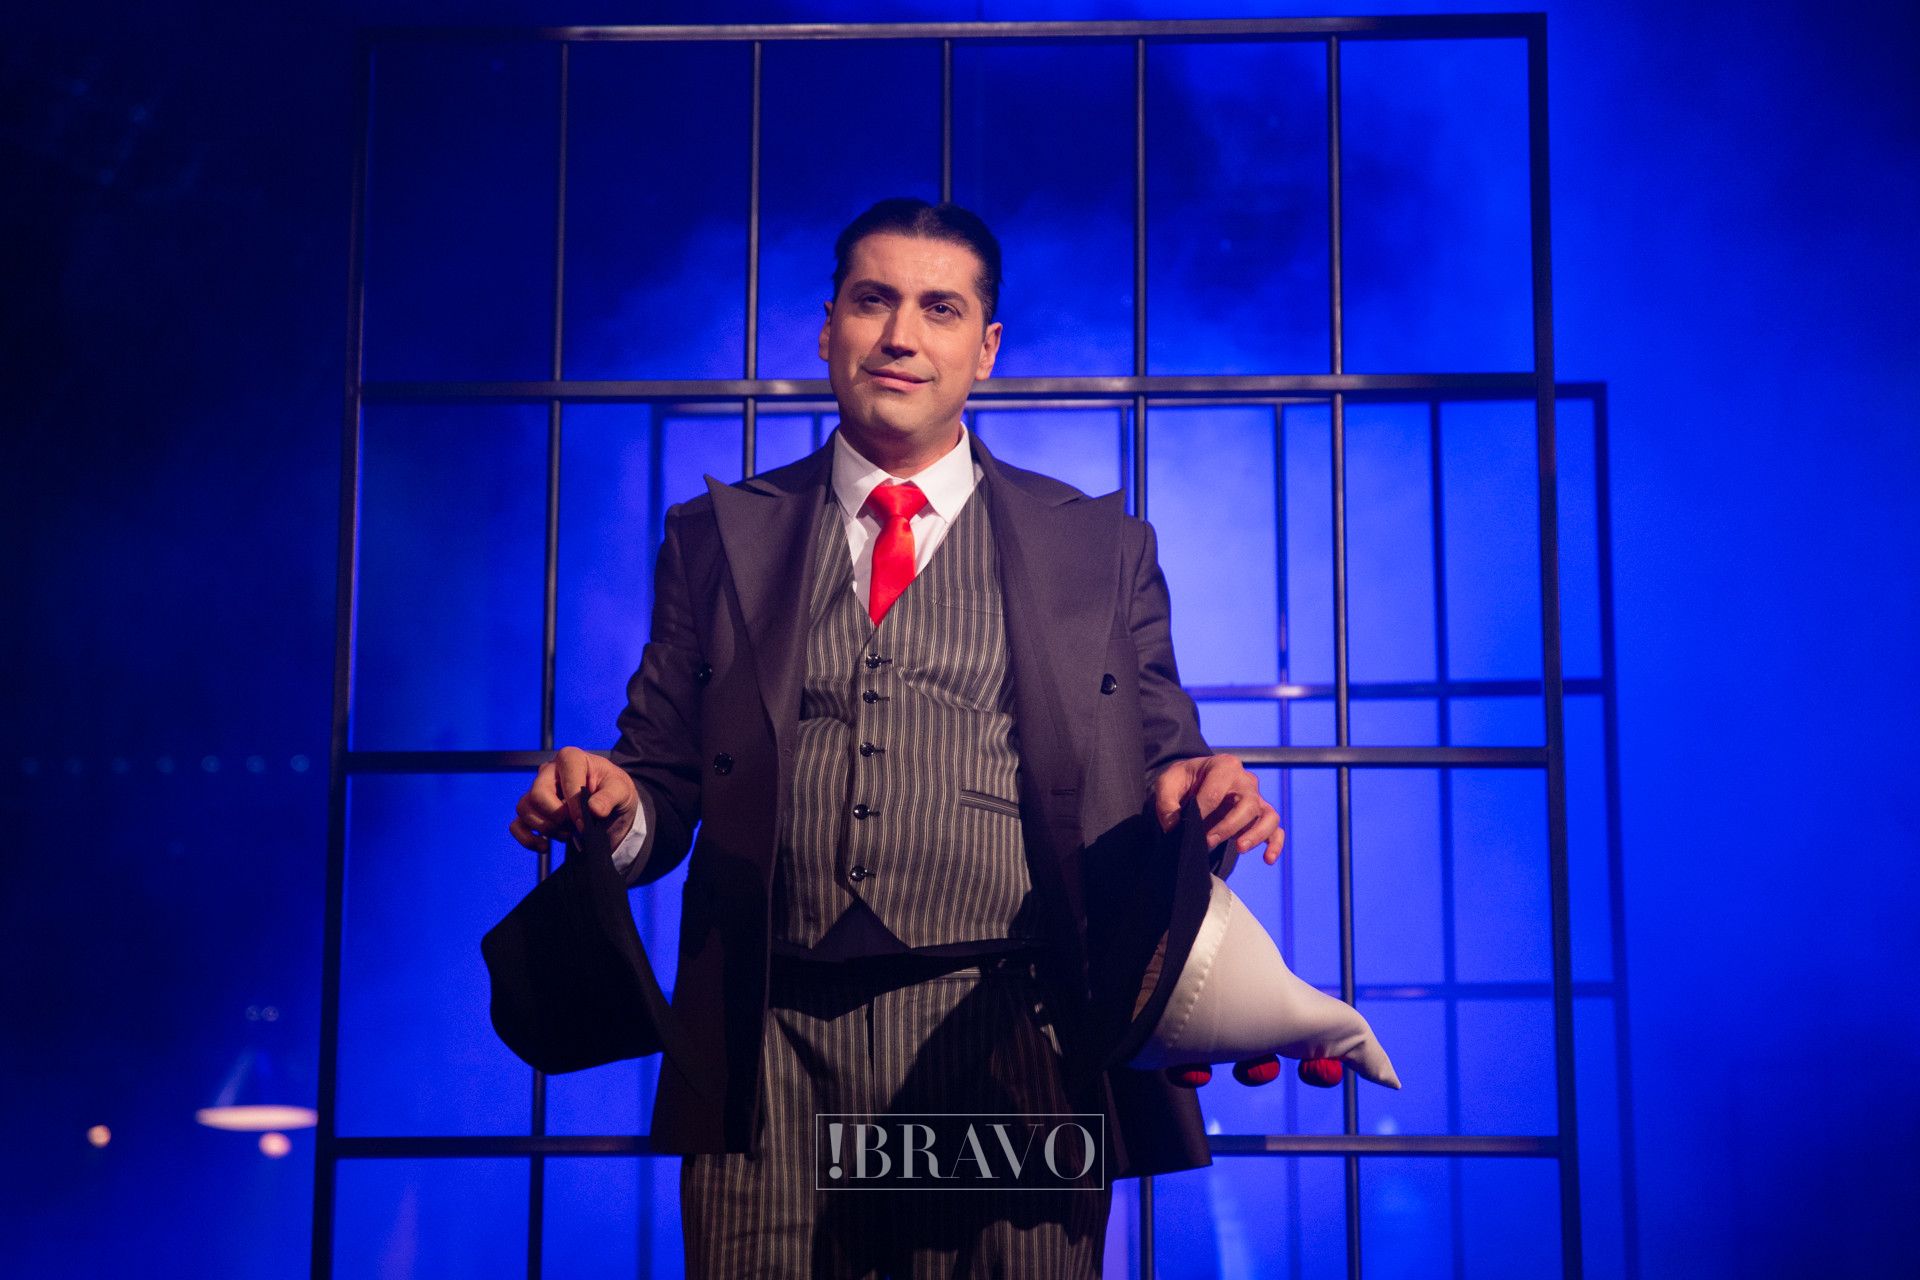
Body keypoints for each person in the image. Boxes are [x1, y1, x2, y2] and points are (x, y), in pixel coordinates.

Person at [506, 197, 1281, 1278]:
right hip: (770, 1044)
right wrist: (612, 804)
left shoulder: (1101, 548)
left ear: (986, 347)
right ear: (828, 328)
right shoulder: (715, 539)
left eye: (939, 308)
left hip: (1010, 1041)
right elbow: (664, 778)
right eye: (873, 301)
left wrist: (1204, 800)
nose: (901, 335)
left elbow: (1163, 769)